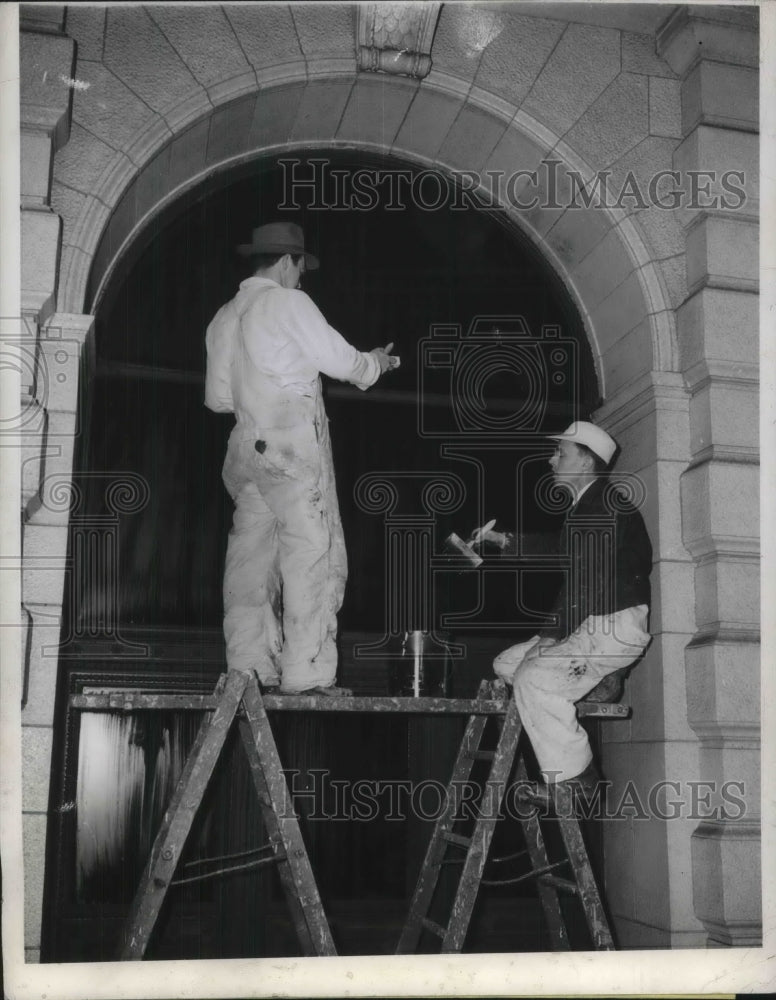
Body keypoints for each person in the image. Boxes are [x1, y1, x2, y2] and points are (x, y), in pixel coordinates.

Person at [204, 221, 397, 694]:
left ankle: (247, 668)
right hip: (289, 447)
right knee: (311, 552)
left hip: (245, 448)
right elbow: (342, 362)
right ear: (288, 262)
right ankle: (306, 672)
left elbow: (218, 399)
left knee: (249, 559)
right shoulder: (288, 302)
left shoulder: (225, 315)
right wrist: (378, 363)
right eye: (300, 267)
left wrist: (260, 391)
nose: (302, 277)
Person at [473, 421, 652, 791]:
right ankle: (600, 682)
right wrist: (501, 540)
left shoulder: (601, 507)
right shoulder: (588, 504)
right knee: (506, 663)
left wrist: (550, 636)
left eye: (561, 453)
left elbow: (586, 581)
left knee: (533, 679)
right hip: (593, 623)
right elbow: (559, 549)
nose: (552, 461)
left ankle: (577, 779)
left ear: (586, 463)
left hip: (611, 626)